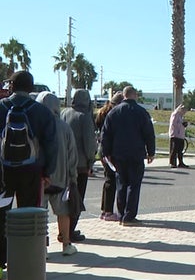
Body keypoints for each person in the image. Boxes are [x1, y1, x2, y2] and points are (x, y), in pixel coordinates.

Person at [0, 72, 60, 272]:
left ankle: (0, 262)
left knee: (1, 215)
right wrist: (47, 172)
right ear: (32, 88)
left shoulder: (1, 108)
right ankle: (25, 264)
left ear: (11, 86)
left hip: (2, 172)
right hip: (32, 171)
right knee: (29, 215)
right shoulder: (42, 112)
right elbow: (52, 144)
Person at [100, 86, 156, 226]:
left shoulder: (113, 113)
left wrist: (106, 153)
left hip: (118, 154)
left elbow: (105, 134)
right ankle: (129, 216)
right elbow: (149, 134)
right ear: (135, 95)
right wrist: (151, 152)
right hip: (136, 153)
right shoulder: (142, 113)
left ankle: (121, 214)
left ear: (124, 96)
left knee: (121, 184)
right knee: (134, 185)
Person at [37, 92, 79, 256]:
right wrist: (72, 176)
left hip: (40, 179)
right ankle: (66, 244)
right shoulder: (64, 127)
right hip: (61, 179)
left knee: (41, 215)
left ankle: (42, 248)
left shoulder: (37, 125)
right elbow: (72, 155)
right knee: (63, 212)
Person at [60, 88, 96, 242]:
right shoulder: (85, 117)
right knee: (76, 198)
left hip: (63, 163)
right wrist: (90, 161)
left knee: (63, 199)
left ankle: (64, 230)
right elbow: (89, 143)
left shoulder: (64, 113)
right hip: (80, 165)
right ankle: (71, 231)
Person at [95, 92, 122, 221]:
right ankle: (109, 212)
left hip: (102, 150)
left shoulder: (102, 113)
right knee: (111, 181)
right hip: (109, 151)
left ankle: (105, 210)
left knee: (108, 180)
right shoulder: (114, 115)